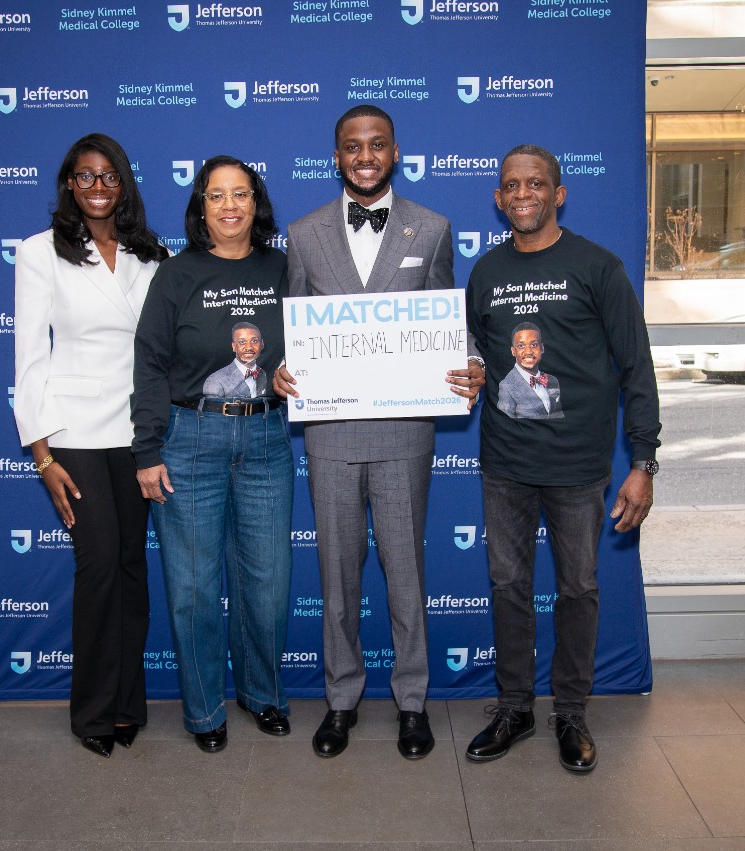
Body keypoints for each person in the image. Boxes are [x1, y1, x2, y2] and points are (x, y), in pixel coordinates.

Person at [273, 105, 484, 760]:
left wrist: (469, 359)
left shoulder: (434, 227)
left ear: (395, 151)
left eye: (377, 144)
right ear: (336, 156)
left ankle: (412, 700)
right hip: (331, 434)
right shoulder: (303, 234)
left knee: (404, 572)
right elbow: (295, 330)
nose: (365, 156)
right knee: (336, 574)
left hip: (403, 434)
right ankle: (341, 698)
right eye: (352, 146)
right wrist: (283, 368)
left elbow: (449, 322)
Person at [463, 145, 661, 772]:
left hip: (580, 468)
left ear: (559, 192)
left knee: (578, 588)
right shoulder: (485, 273)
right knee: (508, 587)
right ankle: (515, 707)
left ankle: (571, 710)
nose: (523, 194)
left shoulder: (597, 267)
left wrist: (644, 461)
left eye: (536, 184)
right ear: (498, 198)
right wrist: (466, 371)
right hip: (505, 464)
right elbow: (473, 352)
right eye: (511, 185)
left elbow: (637, 366)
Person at [131, 156, 293, 754]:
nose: (230, 206)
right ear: (202, 206)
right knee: (195, 588)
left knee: (269, 584)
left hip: (267, 440)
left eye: (241, 194)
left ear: (257, 203)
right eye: (217, 195)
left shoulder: (284, 269)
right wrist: (147, 449)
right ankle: (203, 710)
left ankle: (262, 692)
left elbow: (310, 343)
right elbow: (148, 365)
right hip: (189, 440)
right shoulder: (176, 275)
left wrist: (287, 376)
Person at [13, 133, 167, 759]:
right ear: (68, 184)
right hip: (74, 434)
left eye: (109, 178)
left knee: (131, 567)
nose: (98, 188)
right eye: (85, 177)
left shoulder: (148, 256)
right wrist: (42, 455)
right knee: (99, 564)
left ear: (123, 184)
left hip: (136, 431)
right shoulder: (39, 252)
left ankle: (129, 702)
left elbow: (159, 351)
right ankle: (94, 711)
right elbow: (29, 359)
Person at [496, 323, 563, 420]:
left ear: (542, 348)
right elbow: (504, 425)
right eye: (521, 346)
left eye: (533, 345)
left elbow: (558, 416)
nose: (528, 352)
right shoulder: (506, 386)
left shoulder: (552, 380)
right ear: (513, 351)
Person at [202, 322, 267, 397]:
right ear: (234, 346)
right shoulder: (215, 380)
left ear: (262, 344)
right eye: (242, 342)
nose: (249, 347)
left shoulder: (262, 374)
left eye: (254, 341)